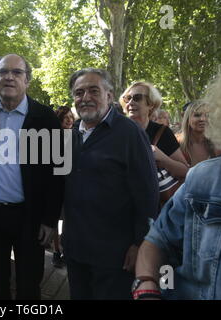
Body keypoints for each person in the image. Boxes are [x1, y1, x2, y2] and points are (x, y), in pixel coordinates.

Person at [134, 39, 221, 300]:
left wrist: (161, 157)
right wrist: (147, 286)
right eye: (130, 97)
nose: (132, 102)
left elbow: (182, 171)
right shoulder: (208, 177)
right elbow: (158, 238)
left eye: (139, 98)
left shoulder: (169, 138)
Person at [0, 54, 63, 299]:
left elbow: (57, 175)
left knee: (29, 286)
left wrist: (50, 219)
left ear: (27, 80)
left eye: (17, 72)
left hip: (31, 219)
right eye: (3, 72)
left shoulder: (46, 118)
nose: (9, 77)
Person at [63, 68, 159, 300]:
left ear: (109, 95)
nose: (85, 97)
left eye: (93, 91)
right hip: (76, 250)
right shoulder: (72, 134)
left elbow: (147, 193)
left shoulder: (130, 133)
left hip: (114, 255)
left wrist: (140, 244)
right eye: (79, 92)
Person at [120, 82, 189, 183]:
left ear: (151, 104)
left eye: (137, 97)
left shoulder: (162, 132)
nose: (130, 102)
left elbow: (185, 171)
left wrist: (163, 159)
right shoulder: (115, 132)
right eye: (127, 98)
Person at [51, 106, 74, 268]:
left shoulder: (76, 135)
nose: (69, 120)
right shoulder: (51, 137)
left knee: (67, 219)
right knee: (53, 219)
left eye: (71, 117)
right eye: (66, 117)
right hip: (55, 182)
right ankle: (56, 251)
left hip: (71, 184)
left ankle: (65, 250)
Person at [177, 100, 221, 166]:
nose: (202, 119)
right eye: (197, 115)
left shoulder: (219, 143)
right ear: (187, 118)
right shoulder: (176, 143)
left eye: (207, 115)